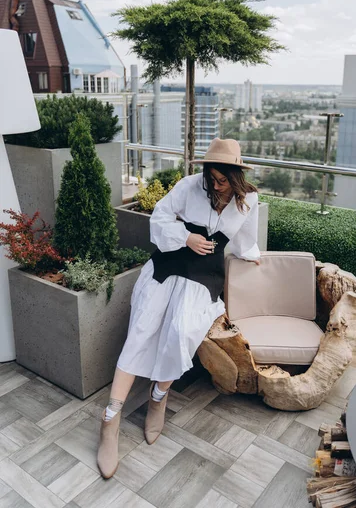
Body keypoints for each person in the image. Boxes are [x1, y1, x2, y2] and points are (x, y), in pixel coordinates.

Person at [97, 138, 261, 479]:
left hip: (205, 277)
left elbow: (246, 241)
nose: (215, 185)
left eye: (222, 179)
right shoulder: (189, 186)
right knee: (142, 330)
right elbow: (159, 217)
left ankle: (159, 398)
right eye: (212, 177)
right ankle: (110, 420)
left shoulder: (249, 202)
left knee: (182, 331)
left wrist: (254, 259)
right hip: (169, 265)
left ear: (237, 177)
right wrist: (186, 238)